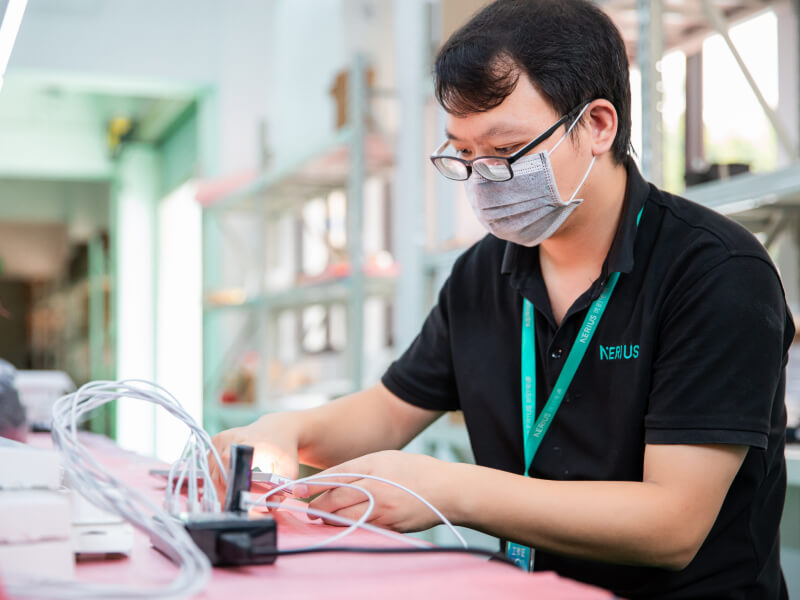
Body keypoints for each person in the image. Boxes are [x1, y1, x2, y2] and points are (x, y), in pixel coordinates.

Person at [210, 1, 793, 597]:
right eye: (463, 154)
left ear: (597, 125)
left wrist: (448, 490)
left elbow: (672, 525)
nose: (484, 177)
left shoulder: (716, 271)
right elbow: (387, 412)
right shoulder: (482, 274)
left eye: (506, 150)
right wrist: (286, 431)